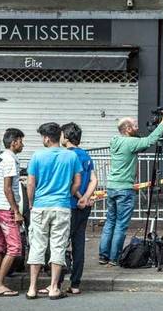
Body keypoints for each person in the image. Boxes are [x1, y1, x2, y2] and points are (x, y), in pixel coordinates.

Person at [99, 115, 163, 265]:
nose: (138, 128)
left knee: (110, 222)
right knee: (121, 224)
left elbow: (141, 143)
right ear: (127, 129)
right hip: (125, 188)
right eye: (135, 126)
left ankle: (103, 255)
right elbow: (149, 141)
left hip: (112, 186)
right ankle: (114, 257)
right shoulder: (130, 142)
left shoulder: (115, 141)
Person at [26, 122, 81, 301]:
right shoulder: (71, 156)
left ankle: (32, 288)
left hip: (40, 206)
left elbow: (31, 183)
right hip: (62, 206)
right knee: (58, 246)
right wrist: (67, 194)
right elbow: (78, 182)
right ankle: (54, 288)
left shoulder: (37, 156)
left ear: (47, 138)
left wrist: (31, 203)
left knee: (37, 246)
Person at [58, 122, 98, 294]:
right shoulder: (86, 156)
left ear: (66, 137)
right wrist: (87, 198)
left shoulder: (66, 156)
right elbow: (94, 180)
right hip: (84, 207)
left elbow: (70, 183)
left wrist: (81, 198)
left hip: (70, 205)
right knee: (79, 245)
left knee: (59, 244)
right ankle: (75, 284)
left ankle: (56, 282)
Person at [0, 128, 25, 297]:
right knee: (15, 247)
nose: (22, 144)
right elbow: (7, 188)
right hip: (7, 208)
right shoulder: (10, 160)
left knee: (0, 245)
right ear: (14, 142)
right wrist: (16, 210)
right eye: (20, 141)